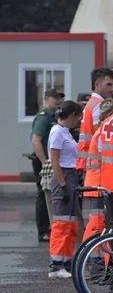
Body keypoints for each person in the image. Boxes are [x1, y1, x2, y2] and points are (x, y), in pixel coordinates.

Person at [77, 68, 113, 238]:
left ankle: (95, 254)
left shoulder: (90, 105)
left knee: (96, 215)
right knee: (99, 216)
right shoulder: (99, 107)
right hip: (99, 168)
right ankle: (96, 257)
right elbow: (102, 138)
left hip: (92, 166)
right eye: (109, 84)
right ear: (97, 84)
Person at [48, 100, 83, 279]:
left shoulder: (65, 132)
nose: (78, 121)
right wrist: (62, 185)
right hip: (63, 176)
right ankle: (56, 264)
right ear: (72, 116)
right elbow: (55, 161)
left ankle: (65, 260)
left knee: (70, 223)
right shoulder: (57, 132)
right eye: (78, 118)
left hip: (71, 175)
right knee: (62, 223)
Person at [31, 88, 64, 242]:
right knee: (43, 195)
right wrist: (45, 162)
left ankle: (49, 228)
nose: (57, 101)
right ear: (46, 99)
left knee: (50, 195)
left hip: (50, 160)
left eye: (59, 98)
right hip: (43, 161)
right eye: (54, 98)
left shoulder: (55, 116)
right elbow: (36, 140)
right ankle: (43, 231)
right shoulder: (44, 118)